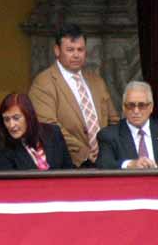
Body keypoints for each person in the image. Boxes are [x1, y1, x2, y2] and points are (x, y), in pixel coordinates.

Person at [28, 24, 119, 167]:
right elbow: (49, 128)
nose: (76, 55)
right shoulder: (43, 83)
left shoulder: (96, 80)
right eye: (70, 50)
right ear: (57, 50)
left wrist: (106, 147)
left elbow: (113, 120)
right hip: (70, 164)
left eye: (80, 50)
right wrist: (85, 153)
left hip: (105, 160)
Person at [0, 93, 73, 170]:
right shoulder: (2, 149)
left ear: (29, 116)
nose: (11, 125)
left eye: (16, 118)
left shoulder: (53, 133)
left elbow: (69, 171)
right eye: (6, 119)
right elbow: (7, 183)